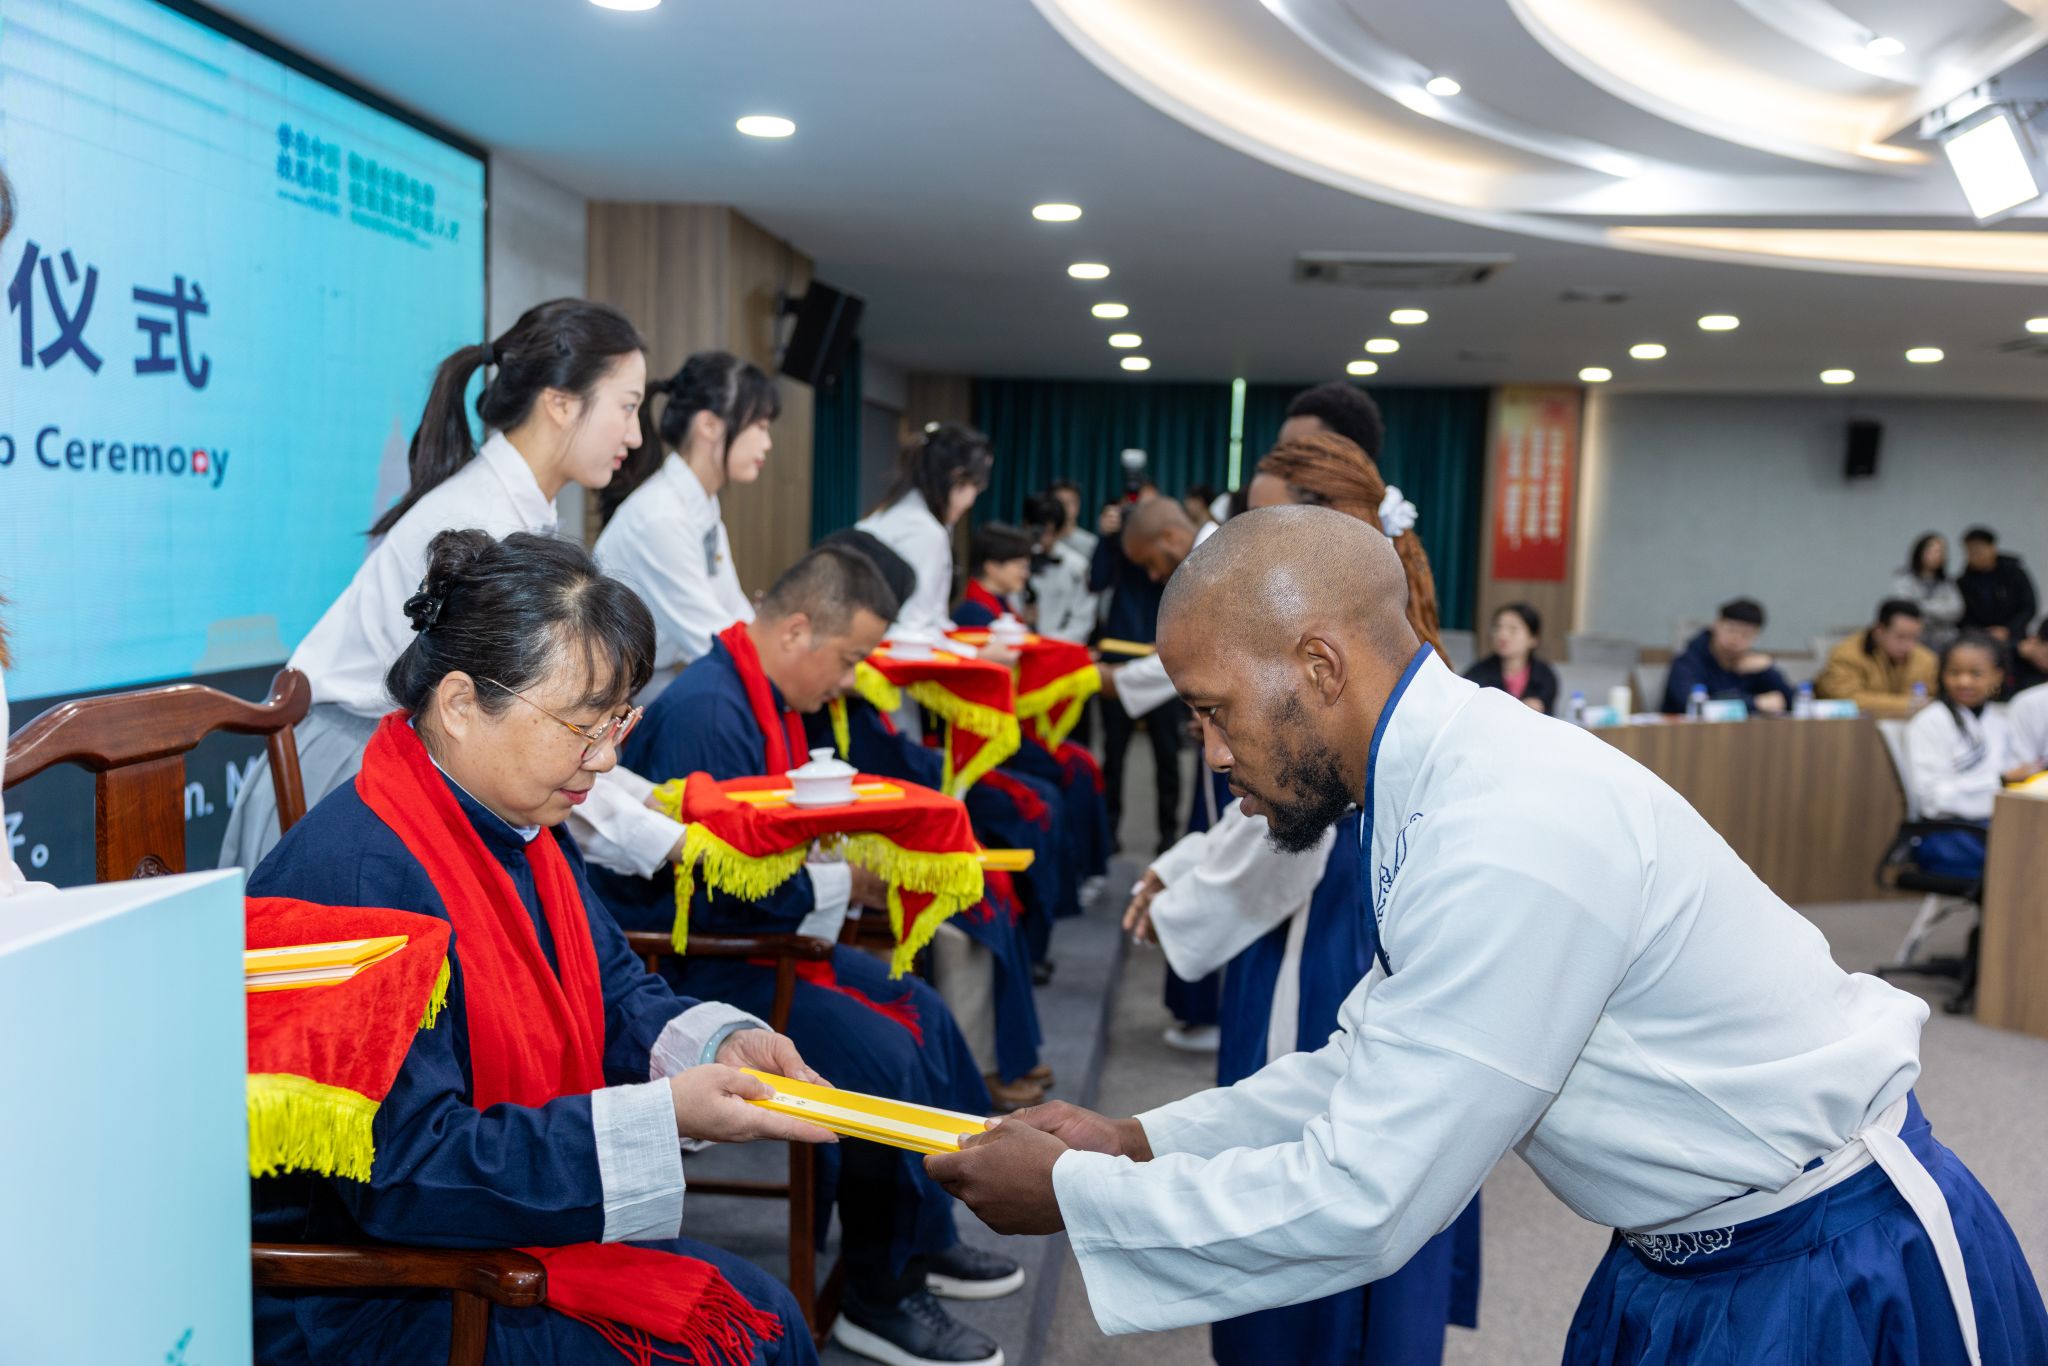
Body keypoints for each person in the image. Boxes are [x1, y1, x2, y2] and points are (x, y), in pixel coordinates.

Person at [927, 506, 2048, 1365]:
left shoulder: (1504, 825)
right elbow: (1373, 1064)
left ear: (1319, 666)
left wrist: (1081, 1199)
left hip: (1823, 1271)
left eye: (1214, 710)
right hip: (1682, 1256)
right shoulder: (1434, 781)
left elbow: (1369, 1197)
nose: (1213, 753)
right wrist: (1137, 1141)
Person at [245, 529, 826, 1364]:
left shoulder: (516, 822)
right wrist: (659, 1116)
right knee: (756, 1336)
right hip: (372, 1291)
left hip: (470, 1244)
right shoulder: (361, 879)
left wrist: (718, 1045)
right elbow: (407, 1170)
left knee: (766, 1318)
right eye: (581, 726)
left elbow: (615, 986)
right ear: (458, 705)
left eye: (617, 721)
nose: (607, 757)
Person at [588, 545, 1020, 1366]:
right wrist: (842, 882)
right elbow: (712, 886)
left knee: (923, 1011)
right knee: (885, 1055)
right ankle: (878, 1295)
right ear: (794, 631)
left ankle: (924, 1234)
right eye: (849, 658)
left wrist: (834, 872)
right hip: (702, 959)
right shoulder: (709, 711)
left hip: (763, 938)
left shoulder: (757, 694)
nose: (851, 680)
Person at [1122, 433, 1478, 1366]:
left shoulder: (1367, 715)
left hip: (1325, 936)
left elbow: (1287, 828)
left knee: (1330, 1162)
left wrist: (1186, 891)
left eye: (1271, 520)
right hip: (1323, 927)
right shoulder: (1394, 674)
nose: (1248, 543)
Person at [219, 299, 684, 881]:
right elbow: (530, 743)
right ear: (561, 403)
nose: (636, 435)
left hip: (422, 771)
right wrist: (673, 836)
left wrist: (660, 805)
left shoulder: (517, 514)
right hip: (353, 781)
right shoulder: (481, 519)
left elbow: (550, 740)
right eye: (628, 407)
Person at [594, 350, 778, 703]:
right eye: (760, 426)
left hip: (659, 685)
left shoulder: (701, 503)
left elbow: (732, 610)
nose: (767, 443)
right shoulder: (661, 516)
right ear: (709, 425)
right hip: (626, 700)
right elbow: (712, 641)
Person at [1904, 633, 2041, 880]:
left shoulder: (2000, 721)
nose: (1964, 682)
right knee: (2030, 856)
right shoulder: (1929, 722)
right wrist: (2000, 781)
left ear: (1997, 676)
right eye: (1954, 673)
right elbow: (1932, 800)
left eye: (1976, 674)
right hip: (1948, 834)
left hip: (1996, 826)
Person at [1095, 496, 1190, 851]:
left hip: (1162, 663)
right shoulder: (1125, 550)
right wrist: (1108, 540)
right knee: (1113, 756)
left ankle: (1168, 835)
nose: (1151, 572)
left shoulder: (1177, 559)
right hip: (1119, 654)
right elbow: (1096, 581)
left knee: (1168, 756)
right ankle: (1108, 832)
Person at [856, 424, 994, 642]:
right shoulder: (924, 532)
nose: (972, 501)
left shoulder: (887, 514)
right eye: (976, 488)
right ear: (957, 477)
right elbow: (914, 630)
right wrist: (976, 652)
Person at [1660, 598, 1793, 714]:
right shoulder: (1688, 662)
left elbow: (1792, 702)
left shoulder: (1753, 665)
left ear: (1756, 637)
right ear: (1716, 625)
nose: (1736, 639)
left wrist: (1768, 668)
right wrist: (1755, 703)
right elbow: (1694, 706)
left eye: (1746, 634)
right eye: (1731, 630)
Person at [1814, 599, 1939, 719]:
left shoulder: (1925, 659)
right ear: (1879, 631)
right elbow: (1848, 701)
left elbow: (1933, 697)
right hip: (1851, 728)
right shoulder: (1846, 654)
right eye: (1901, 637)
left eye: (1914, 638)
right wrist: (1908, 704)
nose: (1908, 646)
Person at [1022, 494, 1094, 646]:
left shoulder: (1076, 565)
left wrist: (1048, 644)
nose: (1043, 539)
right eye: (1038, 532)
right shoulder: (1012, 562)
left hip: (1061, 648)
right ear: (1026, 526)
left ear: (1059, 531)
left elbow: (1082, 620)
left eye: (1050, 533)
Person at [1463, 602, 1559, 715]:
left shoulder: (1544, 675)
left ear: (1533, 638)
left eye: (1513, 629)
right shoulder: (1478, 672)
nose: (1502, 635)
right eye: (1498, 627)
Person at [1957, 527, 2038, 643]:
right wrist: (1984, 632)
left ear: (1992, 548)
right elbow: (1963, 616)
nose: (1974, 555)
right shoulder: (1964, 581)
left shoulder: (2013, 572)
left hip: (2014, 636)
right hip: (1980, 639)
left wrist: (2008, 630)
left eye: (1978, 550)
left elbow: (2028, 606)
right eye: (1969, 551)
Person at [1893, 533, 1965, 654]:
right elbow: (1907, 609)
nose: (1938, 555)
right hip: (1916, 640)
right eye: (1934, 551)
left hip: (1946, 641)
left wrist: (1922, 606)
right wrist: (1939, 607)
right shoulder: (1904, 579)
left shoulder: (1947, 582)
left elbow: (1956, 610)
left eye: (1941, 551)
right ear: (1920, 552)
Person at [953, 523, 1035, 628]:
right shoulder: (973, 614)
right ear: (992, 567)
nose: (1026, 574)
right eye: (1020, 566)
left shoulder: (1001, 604)